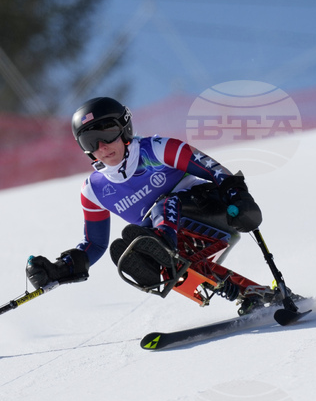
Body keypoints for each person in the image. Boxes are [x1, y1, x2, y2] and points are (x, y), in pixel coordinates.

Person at [25, 96, 277, 315]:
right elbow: (95, 244)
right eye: (90, 141)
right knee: (129, 249)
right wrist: (62, 268)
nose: (102, 147)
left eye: (107, 133)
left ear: (124, 129)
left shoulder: (156, 150)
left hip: (214, 214)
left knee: (159, 211)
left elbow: (214, 170)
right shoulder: (94, 190)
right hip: (180, 240)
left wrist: (238, 196)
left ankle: (164, 250)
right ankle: (246, 293)